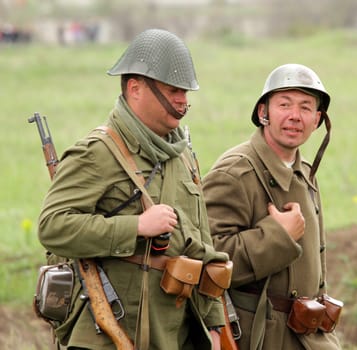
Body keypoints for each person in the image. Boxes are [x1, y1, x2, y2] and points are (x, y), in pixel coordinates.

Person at [38, 29, 229, 350]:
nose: (183, 101)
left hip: (176, 330)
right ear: (136, 88)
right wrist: (136, 227)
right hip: (110, 329)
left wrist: (212, 322)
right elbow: (52, 226)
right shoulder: (97, 152)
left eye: (185, 92)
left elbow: (201, 245)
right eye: (173, 90)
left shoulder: (182, 155)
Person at [202, 63, 342, 350]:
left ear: (317, 119)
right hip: (257, 338)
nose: (295, 116)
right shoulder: (234, 173)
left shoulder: (305, 173)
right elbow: (208, 258)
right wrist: (278, 236)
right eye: (284, 104)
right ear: (263, 113)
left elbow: (319, 269)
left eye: (305, 107)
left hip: (308, 336)